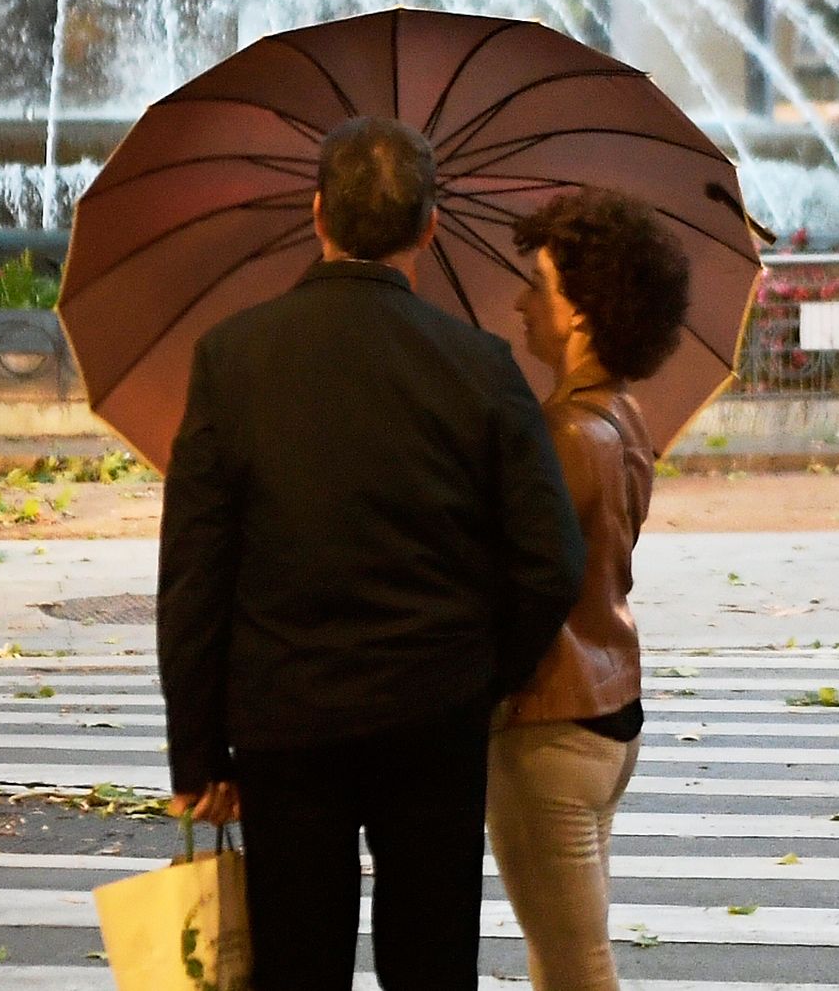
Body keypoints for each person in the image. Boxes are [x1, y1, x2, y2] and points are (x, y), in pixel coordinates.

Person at [157, 115, 587, 991]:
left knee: (298, 962)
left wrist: (196, 752)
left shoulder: (231, 359)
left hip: (285, 721)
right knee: (430, 965)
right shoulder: (480, 366)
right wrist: (482, 672)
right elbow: (551, 559)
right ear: (429, 226)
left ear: (317, 214)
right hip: (434, 716)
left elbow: (195, 571)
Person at [488, 187, 691, 991]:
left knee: (577, 967)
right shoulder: (623, 415)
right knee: (563, 956)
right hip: (608, 708)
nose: (520, 302)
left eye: (536, 285)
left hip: (550, 721)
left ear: (579, 308)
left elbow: (532, 581)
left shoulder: (564, 433)